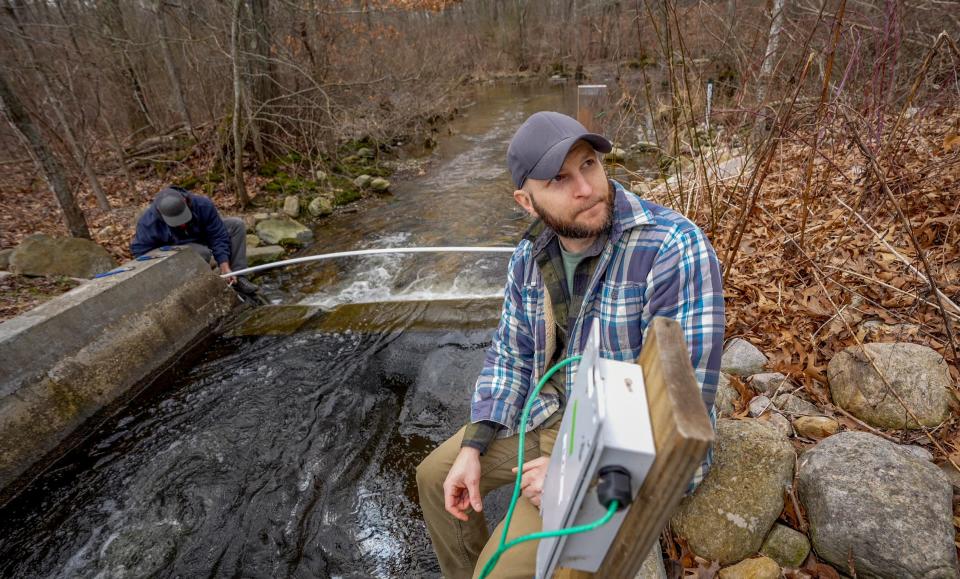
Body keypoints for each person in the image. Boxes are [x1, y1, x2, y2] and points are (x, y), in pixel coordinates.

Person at [416, 111, 725, 579]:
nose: (586, 188)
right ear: (526, 200)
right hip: (544, 411)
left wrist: (573, 478)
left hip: (605, 443)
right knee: (435, 476)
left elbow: (684, 419)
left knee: (497, 574)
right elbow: (512, 354)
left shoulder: (673, 248)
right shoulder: (529, 256)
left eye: (588, 165)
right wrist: (475, 442)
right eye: (559, 179)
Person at [131, 186, 259, 296]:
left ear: (185, 201)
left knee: (236, 225)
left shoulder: (203, 205)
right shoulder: (149, 223)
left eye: (183, 219)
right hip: (175, 247)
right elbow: (140, 252)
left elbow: (217, 235)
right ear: (161, 213)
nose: (182, 225)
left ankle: (238, 276)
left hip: (202, 235)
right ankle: (202, 286)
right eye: (177, 223)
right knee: (201, 253)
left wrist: (224, 266)